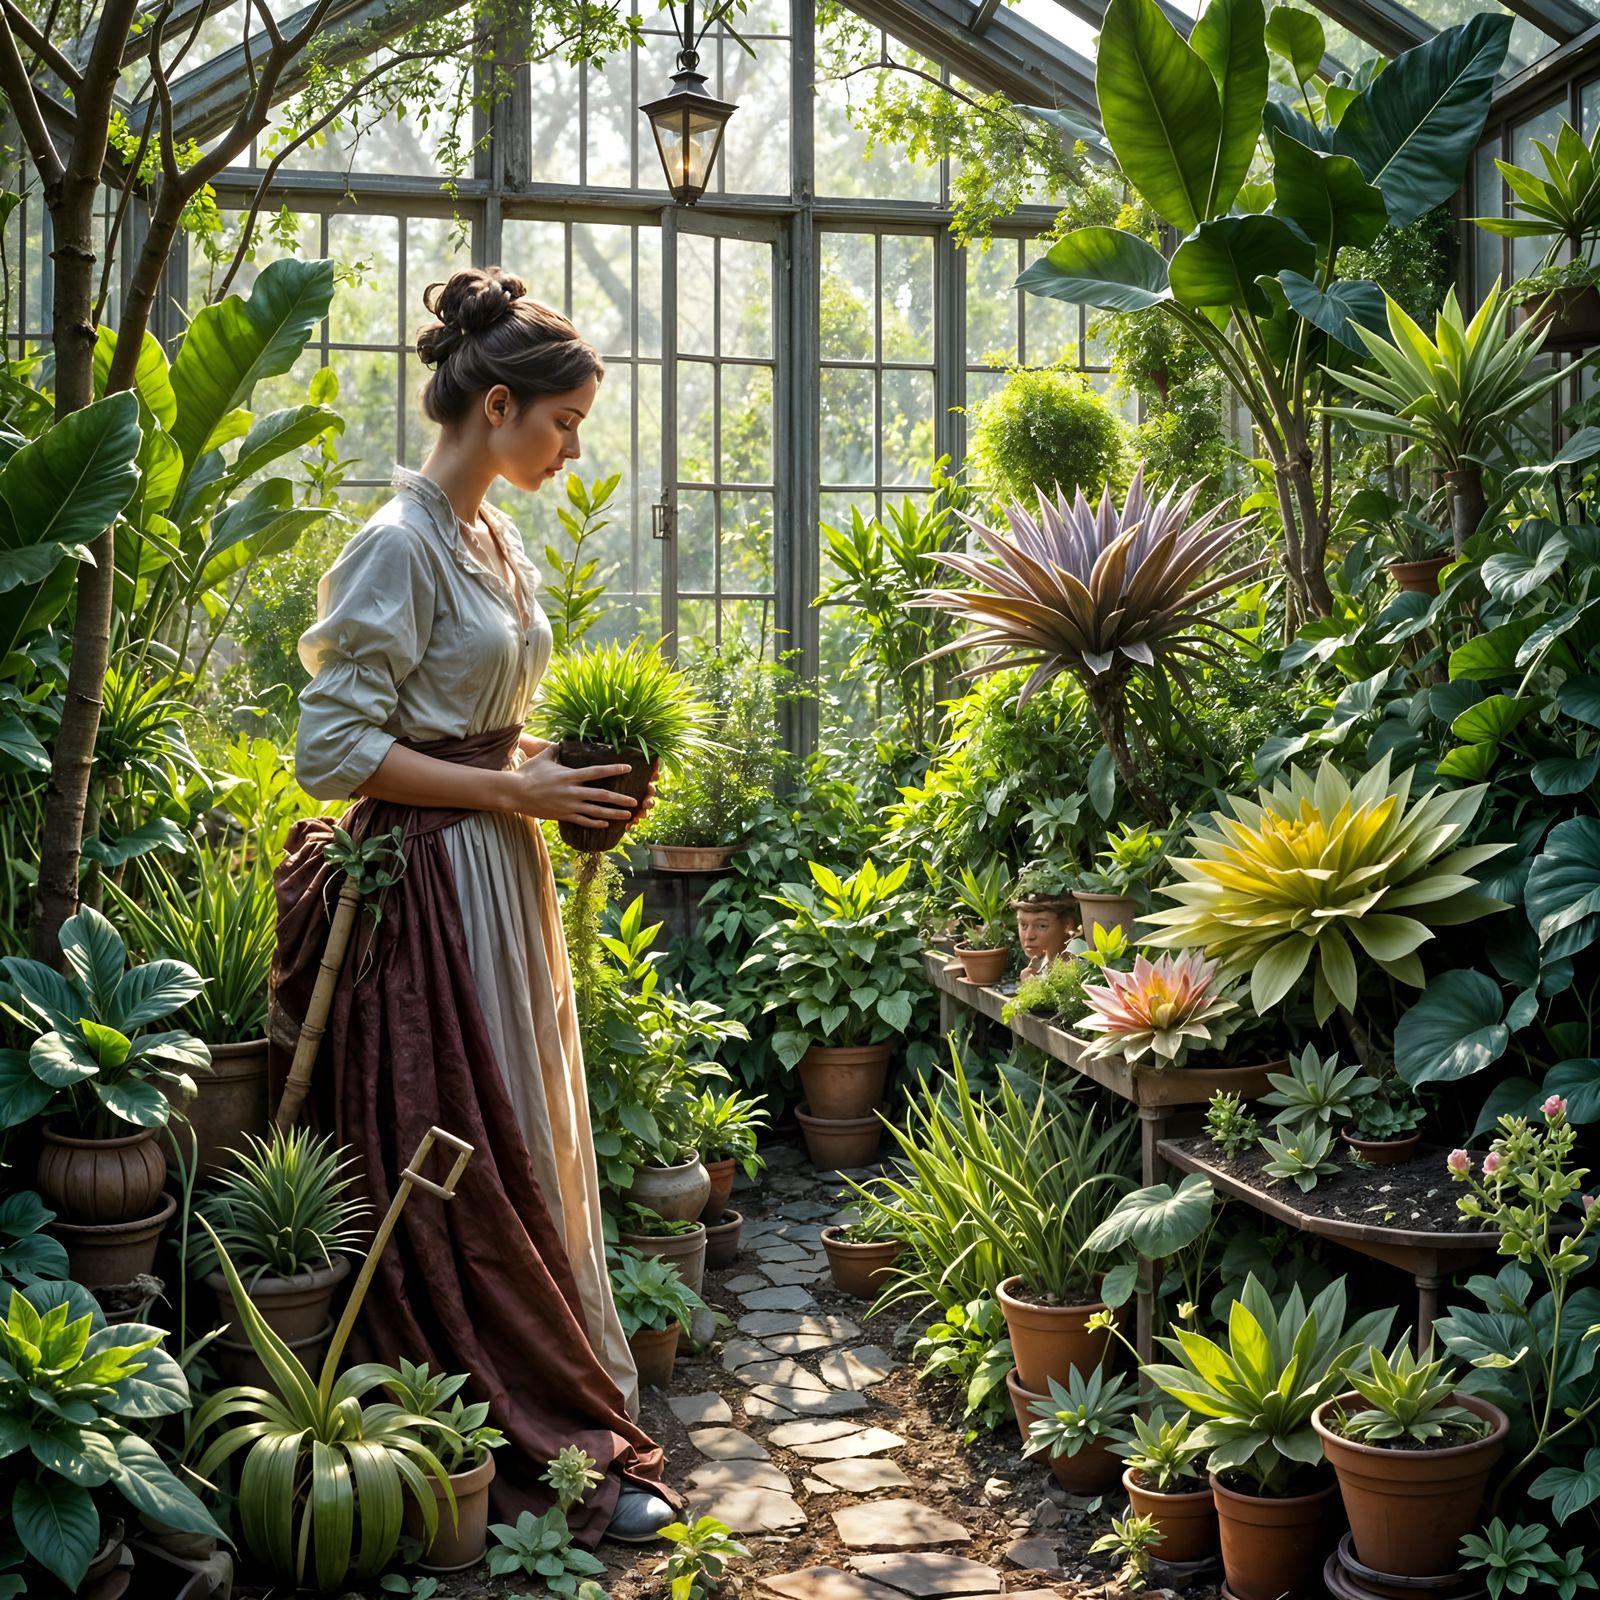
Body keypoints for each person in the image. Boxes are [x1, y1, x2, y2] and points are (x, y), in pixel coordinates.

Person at [271, 266, 677, 1544]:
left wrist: (551, 773)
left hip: (499, 865)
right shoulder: (395, 542)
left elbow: (469, 719)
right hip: (431, 890)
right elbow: (333, 753)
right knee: (466, 1139)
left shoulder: (486, 534)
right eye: (561, 425)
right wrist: (515, 798)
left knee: (525, 1121)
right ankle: (503, 1422)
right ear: (497, 403)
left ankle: (549, 1386)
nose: (569, 450)